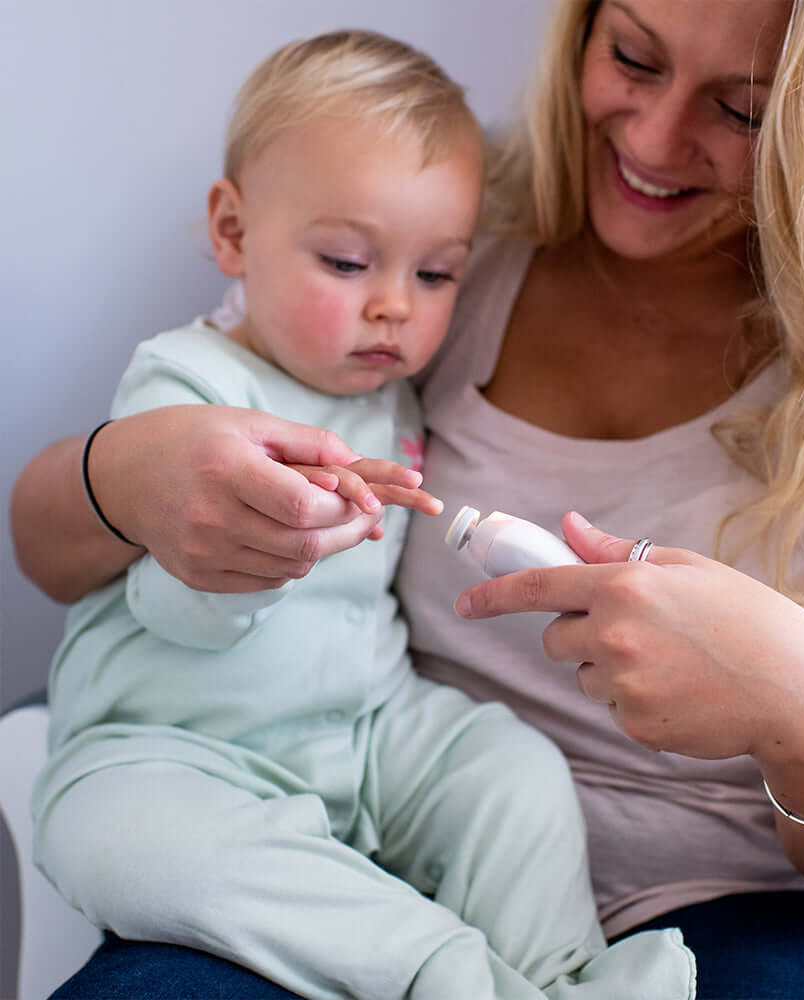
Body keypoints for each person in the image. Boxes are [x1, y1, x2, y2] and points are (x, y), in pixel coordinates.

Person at [11, 0, 804, 997]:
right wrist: (124, 478)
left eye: (741, 111)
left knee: (507, 768)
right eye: (631, 58)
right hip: (357, 850)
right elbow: (53, 544)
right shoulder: (448, 227)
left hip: (733, 898)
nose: (652, 140)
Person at [24, 28, 695, 1000]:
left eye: (434, 275)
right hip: (177, 749)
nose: (394, 308)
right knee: (124, 844)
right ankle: (453, 975)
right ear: (233, 233)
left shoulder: (388, 396)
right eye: (346, 262)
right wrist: (267, 538)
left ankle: (565, 971)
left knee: (508, 768)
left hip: (369, 730)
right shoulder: (188, 382)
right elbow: (177, 610)